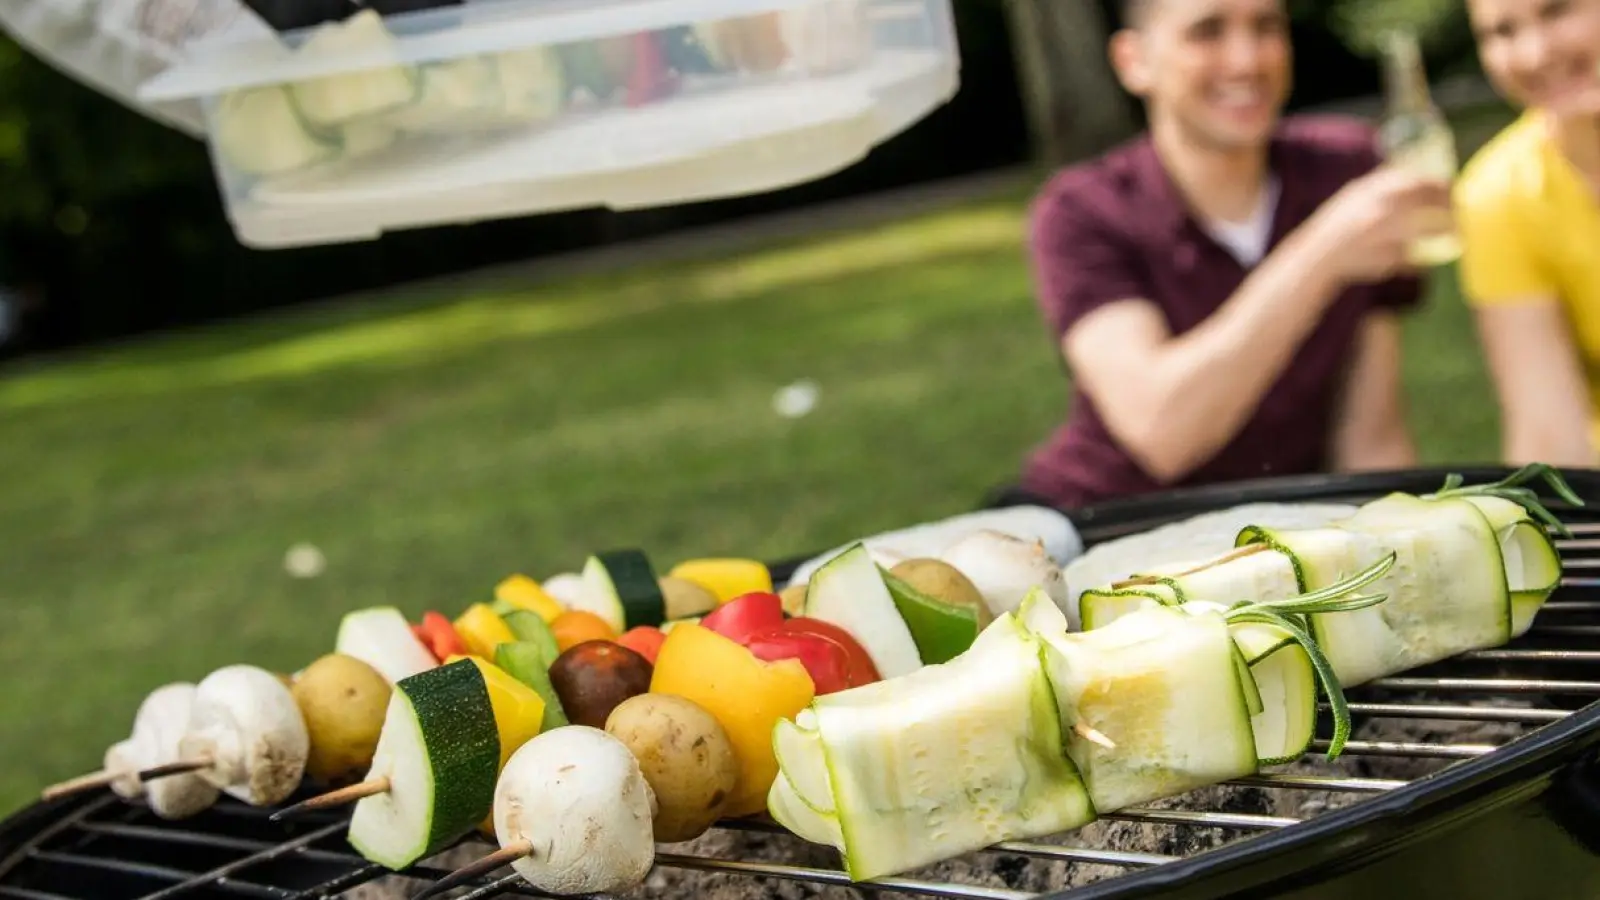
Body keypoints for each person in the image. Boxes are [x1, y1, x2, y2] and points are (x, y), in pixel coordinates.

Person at [999, 0, 1456, 511]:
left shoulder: (1346, 171)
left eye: (1266, 27)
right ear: (1134, 62)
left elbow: (1371, 436)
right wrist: (1323, 252)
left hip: (1270, 531)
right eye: (1207, 32)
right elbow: (1161, 431)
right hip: (1096, 517)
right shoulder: (1082, 211)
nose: (1246, 61)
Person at [1452, 0, 1600, 468]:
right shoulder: (1498, 193)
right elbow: (1549, 435)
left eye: (1557, 11)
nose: (1534, 54)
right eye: (1502, 31)